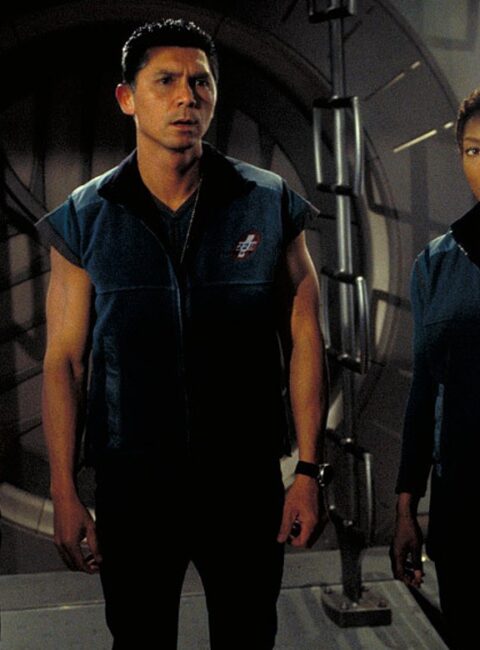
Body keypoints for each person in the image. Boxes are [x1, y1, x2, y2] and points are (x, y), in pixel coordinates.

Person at [37, 19, 330, 649]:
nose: (186, 98)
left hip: (243, 481)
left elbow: (305, 337)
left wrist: (309, 469)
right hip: (135, 485)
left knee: (248, 636)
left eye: (201, 82)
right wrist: (63, 490)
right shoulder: (85, 217)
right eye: (165, 81)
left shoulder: (268, 201)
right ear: (127, 98)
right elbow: (64, 362)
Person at [390, 88, 480, 649]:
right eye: (474, 150)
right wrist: (406, 506)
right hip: (463, 515)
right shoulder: (436, 264)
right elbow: (423, 391)